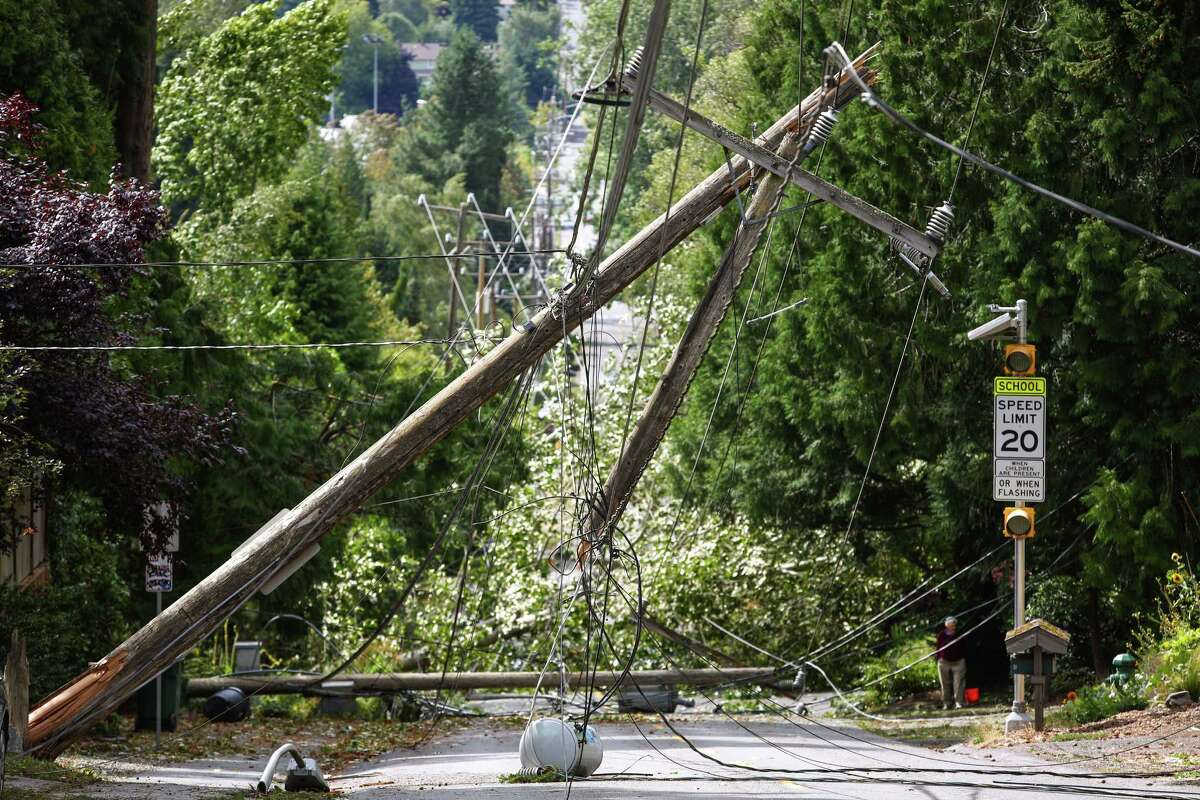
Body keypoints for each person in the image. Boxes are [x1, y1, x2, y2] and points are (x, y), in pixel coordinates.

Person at [936, 616, 966, 710]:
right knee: (945, 684)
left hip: (958, 662)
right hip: (944, 662)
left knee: (958, 683)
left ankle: (959, 702)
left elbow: (964, 646)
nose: (952, 627)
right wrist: (938, 658)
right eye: (950, 625)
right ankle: (947, 703)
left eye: (953, 625)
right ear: (947, 626)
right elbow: (938, 648)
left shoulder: (958, 634)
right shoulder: (942, 635)